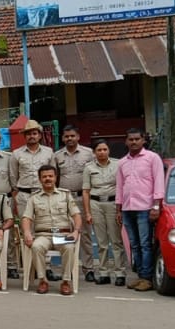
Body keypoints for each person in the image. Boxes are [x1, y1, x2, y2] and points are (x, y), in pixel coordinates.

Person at [115, 127, 165, 292]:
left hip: (145, 208)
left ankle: (147, 278)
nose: (134, 142)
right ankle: (140, 276)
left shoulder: (152, 158)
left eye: (137, 139)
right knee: (134, 244)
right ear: (126, 141)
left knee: (145, 244)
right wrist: (118, 209)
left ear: (143, 140)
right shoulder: (122, 162)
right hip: (128, 208)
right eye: (131, 139)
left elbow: (159, 182)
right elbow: (120, 187)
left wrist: (156, 206)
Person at [21, 165, 82, 295]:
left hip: (62, 233)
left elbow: (76, 215)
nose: (47, 179)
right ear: (39, 179)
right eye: (44, 176)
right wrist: (27, 232)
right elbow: (27, 217)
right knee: (36, 246)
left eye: (50, 176)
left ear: (55, 177)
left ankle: (65, 282)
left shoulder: (65, 195)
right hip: (43, 234)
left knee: (69, 247)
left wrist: (76, 231)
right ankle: (43, 280)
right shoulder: (34, 198)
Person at [8, 118, 55, 277]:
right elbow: (13, 177)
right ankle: (31, 266)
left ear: (40, 135)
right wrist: (17, 194)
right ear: (24, 136)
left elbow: (54, 174)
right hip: (24, 195)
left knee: (44, 229)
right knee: (26, 231)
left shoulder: (49, 152)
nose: (31, 136)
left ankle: (46, 267)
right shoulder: (16, 154)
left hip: (43, 194)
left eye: (34, 133)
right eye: (28, 134)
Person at [54, 124, 96, 280]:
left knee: (84, 234)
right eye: (66, 136)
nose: (69, 139)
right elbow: (54, 177)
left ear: (78, 136)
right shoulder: (57, 156)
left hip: (81, 198)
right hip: (63, 199)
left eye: (72, 136)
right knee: (63, 232)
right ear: (63, 138)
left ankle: (89, 268)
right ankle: (68, 269)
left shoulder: (88, 154)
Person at [82, 139, 126, 286]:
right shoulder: (88, 168)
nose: (102, 152)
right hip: (96, 204)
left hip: (113, 203)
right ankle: (103, 273)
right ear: (94, 153)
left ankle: (120, 273)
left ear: (109, 151)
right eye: (99, 150)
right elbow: (86, 191)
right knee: (101, 242)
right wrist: (87, 212)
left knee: (116, 241)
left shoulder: (118, 164)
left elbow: (121, 187)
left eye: (104, 149)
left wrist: (120, 209)